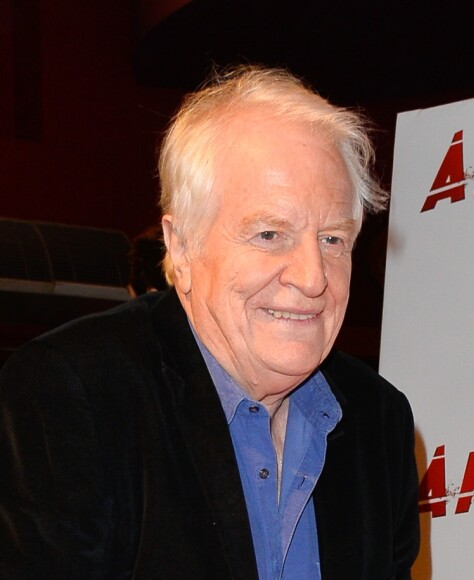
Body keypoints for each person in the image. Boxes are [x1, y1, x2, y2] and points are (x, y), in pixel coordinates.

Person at [0, 65, 419, 579]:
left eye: (333, 239)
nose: (314, 278)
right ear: (182, 247)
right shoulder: (73, 395)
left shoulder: (381, 422)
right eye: (270, 234)